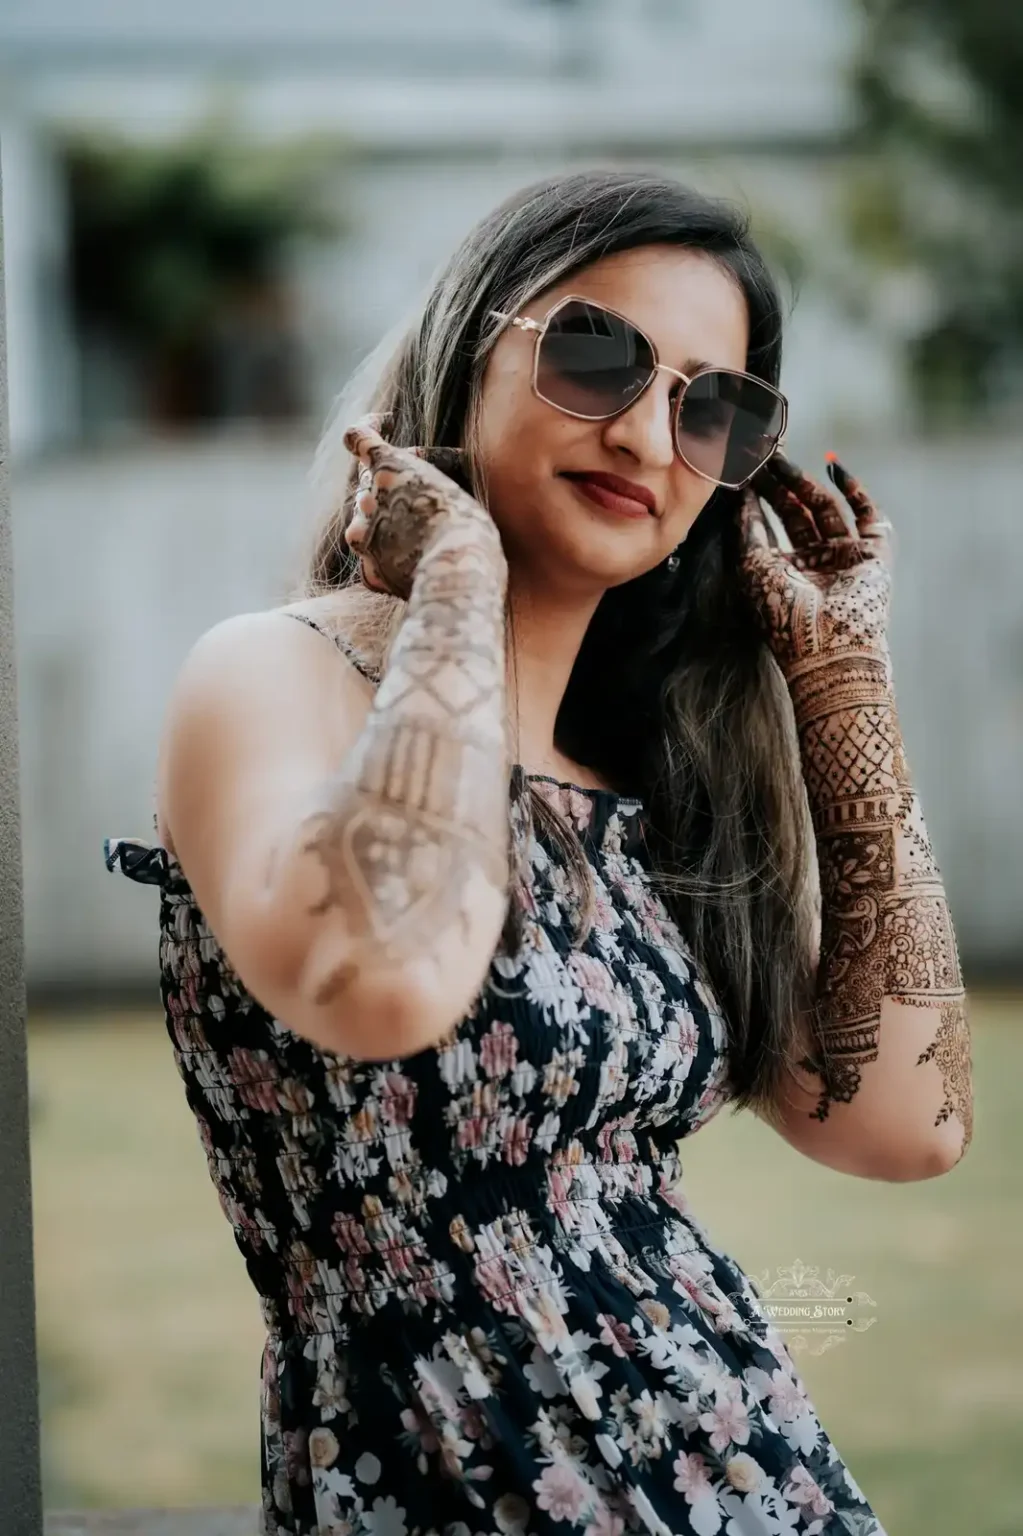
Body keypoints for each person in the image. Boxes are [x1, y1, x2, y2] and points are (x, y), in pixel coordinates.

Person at [105, 169, 972, 1536]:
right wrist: (457, 586)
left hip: (743, 1473)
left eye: (712, 407)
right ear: (466, 357)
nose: (642, 433)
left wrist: (842, 686)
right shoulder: (272, 675)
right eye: (592, 354)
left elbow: (902, 1125)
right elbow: (379, 976)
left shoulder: (644, 781)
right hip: (440, 1475)